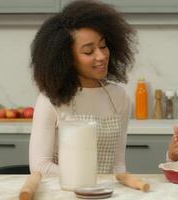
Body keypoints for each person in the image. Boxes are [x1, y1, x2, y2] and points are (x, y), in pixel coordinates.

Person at [29, 0, 137, 175]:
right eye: (88, 51)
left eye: (103, 46)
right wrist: (85, 179)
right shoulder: (50, 99)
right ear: (66, 58)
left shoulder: (119, 96)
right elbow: (40, 166)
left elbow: (118, 164)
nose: (101, 56)